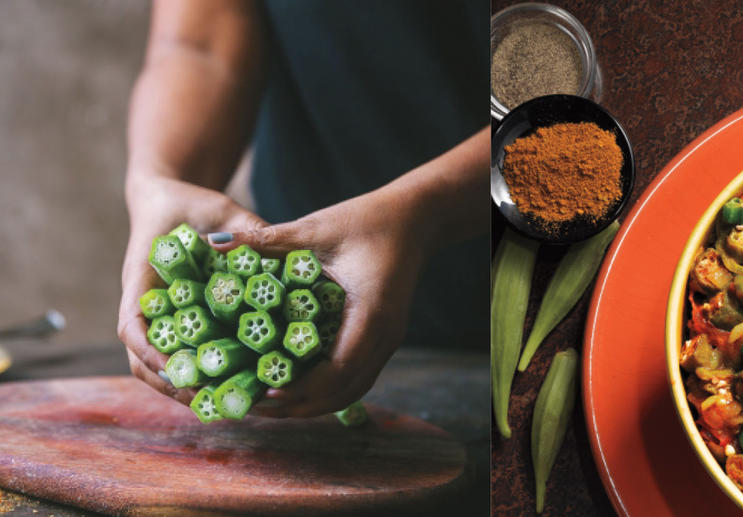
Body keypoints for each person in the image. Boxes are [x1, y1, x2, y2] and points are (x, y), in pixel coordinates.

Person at [117, 0, 488, 418]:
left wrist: (426, 213)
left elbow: (567, 98)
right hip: (310, 279)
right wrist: (161, 181)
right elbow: (198, 44)